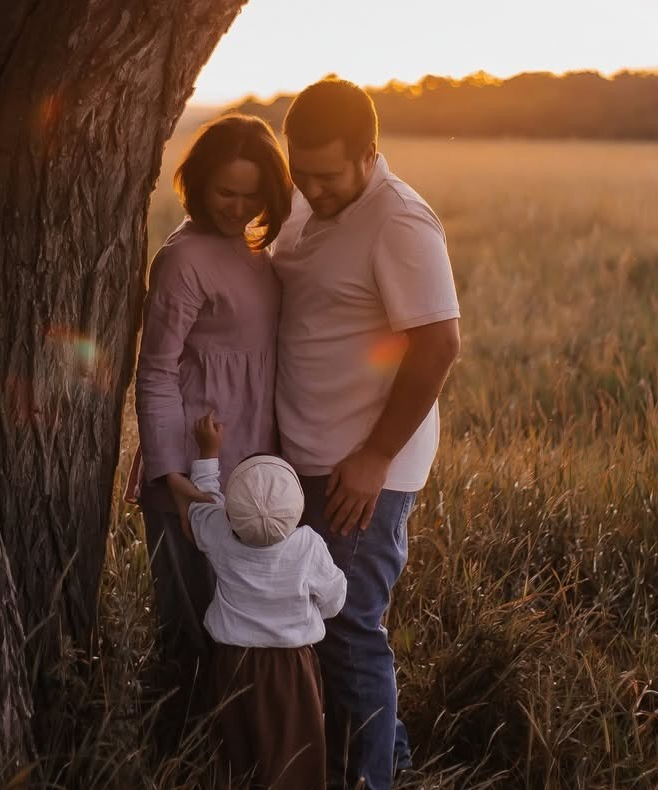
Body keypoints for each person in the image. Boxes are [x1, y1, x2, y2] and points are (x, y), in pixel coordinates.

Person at [272, 78, 462, 790]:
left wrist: (374, 456)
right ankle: (390, 758)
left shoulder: (399, 220)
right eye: (302, 171)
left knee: (348, 631)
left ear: (368, 155)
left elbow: (438, 345)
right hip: (305, 459)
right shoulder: (307, 204)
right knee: (320, 625)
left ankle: (368, 780)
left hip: (361, 468)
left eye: (327, 175)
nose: (312, 187)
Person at [134, 113, 291, 717]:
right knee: (190, 625)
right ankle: (175, 754)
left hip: (251, 464)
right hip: (192, 475)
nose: (239, 205)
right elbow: (156, 371)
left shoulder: (254, 247)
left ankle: (233, 747)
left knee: (240, 619)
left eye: (254, 193)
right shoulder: (184, 259)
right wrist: (168, 471)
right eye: (227, 191)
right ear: (199, 182)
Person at [188, 412, 347, 790]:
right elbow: (335, 599)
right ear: (297, 508)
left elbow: (201, 504)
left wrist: (208, 454)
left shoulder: (219, 534)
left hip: (233, 664)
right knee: (294, 756)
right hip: (292, 670)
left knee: (236, 753)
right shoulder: (307, 544)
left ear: (230, 513)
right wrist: (309, 611)